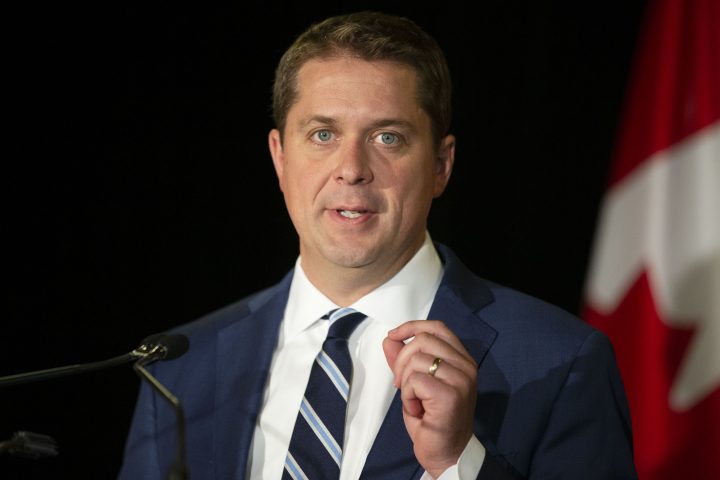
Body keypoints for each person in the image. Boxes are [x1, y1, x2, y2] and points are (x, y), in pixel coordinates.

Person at [118, 11, 637, 479]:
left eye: (387, 137)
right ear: (279, 157)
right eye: (323, 134)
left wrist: (459, 465)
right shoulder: (179, 367)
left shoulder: (560, 361)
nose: (351, 169)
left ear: (441, 165)